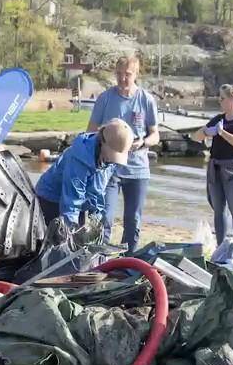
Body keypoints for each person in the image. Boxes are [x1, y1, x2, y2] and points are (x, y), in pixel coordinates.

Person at [87, 55, 160, 253]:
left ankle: (128, 265)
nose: (122, 79)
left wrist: (144, 142)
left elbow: (155, 135)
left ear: (136, 74)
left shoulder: (146, 100)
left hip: (138, 170)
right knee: (105, 217)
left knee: (133, 221)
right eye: (119, 74)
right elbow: (90, 132)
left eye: (127, 74)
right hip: (110, 169)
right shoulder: (105, 98)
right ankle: (100, 261)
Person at [34, 120, 133, 228]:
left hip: (78, 201)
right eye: (112, 154)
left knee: (81, 237)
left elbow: (98, 190)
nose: (112, 160)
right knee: (59, 237)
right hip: (51, 198)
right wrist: (71, 229)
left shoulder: (109, 160)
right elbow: (71, 201)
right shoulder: (79, 159)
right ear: (102, 142)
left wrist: (96, 220)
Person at [194, 84, 233, 244]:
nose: (220, 102)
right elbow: (196, 136)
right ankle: (220, 246)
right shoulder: (218, 119)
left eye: (222, 98)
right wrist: (207, 132)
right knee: (218, 210)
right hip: (216, 168)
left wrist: (222, 133)